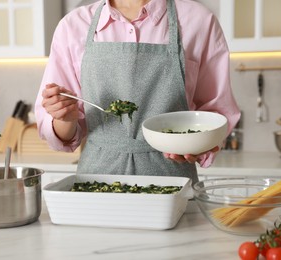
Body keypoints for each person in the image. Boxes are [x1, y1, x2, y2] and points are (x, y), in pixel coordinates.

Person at [35, 0, 241, 183]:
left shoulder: (199, 21)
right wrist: (64, 117)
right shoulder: (73, 26)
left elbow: (216, 112)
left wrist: (198, 146)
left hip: (173, 181)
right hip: (96, 184)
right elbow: (61, 131)